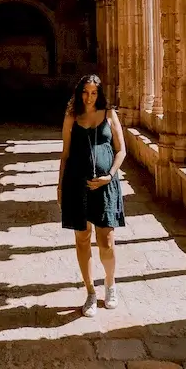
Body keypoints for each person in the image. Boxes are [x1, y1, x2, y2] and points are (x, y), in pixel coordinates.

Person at [57, 74, 126, 317]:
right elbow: (65, 154)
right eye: (85, 92)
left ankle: (110, 284)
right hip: (77, 184)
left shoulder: (109, 115)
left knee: (106, 240)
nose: (89, 97)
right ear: (79, 93)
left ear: (100, 94)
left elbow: (121, 150)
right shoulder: (71, 117)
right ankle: (90, 292)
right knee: (82, 237)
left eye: (94, 93)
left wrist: (110, 175)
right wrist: (60, 187)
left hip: (106, 185)